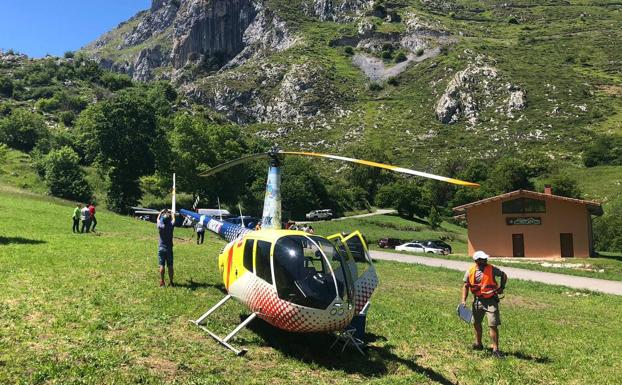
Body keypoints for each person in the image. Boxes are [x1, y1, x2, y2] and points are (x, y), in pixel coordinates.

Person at [461, 250, 508, 358]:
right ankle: (478, 344)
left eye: (486, 258)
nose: (485, 260)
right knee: (476, 323)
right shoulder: (470, 271)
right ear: (476, 260)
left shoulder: (491, 269)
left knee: (493, 324)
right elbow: (465, 286)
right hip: (477, 301)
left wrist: (502, 287)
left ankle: (495, 349)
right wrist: (463, 300)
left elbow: (503, 275)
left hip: (491, 301)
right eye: (483, 259)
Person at [157, 209, 175, 287]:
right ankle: (171, 282)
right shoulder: (171, 225)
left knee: (161, 265)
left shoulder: (160, 226)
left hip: (161, 248)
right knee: (170, 266)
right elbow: (174, 219)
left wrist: (161, 212)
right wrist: (172, 212)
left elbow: (157, 219)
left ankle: (162, 282)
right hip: (169, 248)